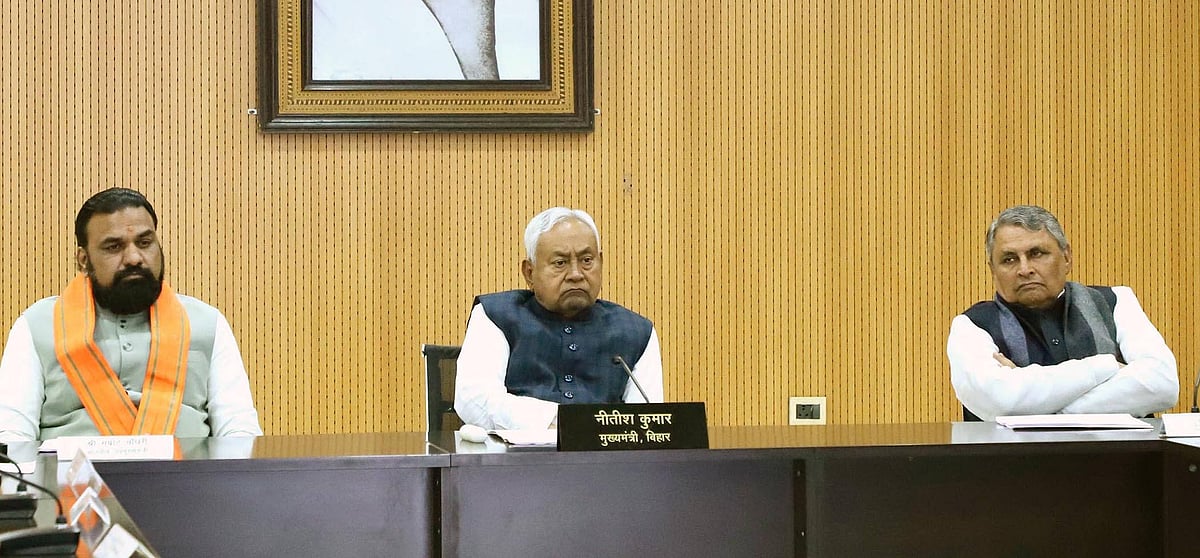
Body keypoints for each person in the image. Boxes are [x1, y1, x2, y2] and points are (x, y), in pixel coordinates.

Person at [0, 188, 262, 441]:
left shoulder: (207, 322)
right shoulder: (36, 326)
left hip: (188, 480)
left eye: (145, 242)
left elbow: (238, 430)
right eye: (114, 247)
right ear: (83, 259)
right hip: (67, 482)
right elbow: (12, 433)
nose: (134, 257)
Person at [947, 205, 1178, 421]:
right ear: (993, 270)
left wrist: (1039, 407)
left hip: (1121, 461)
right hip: (1018, 464)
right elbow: (998, 401)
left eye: (1037, 253)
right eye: (1009, 259)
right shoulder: (972, 326)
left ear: (1067, 257)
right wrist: (1105, 367)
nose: (1025, 269)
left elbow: (1162, 384)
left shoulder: (1115, 302)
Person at [454, 207, 663, 430]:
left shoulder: (637, 331)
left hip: (604, 463)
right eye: (560, 263)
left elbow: (647, 423)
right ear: (529, 273)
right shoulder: (495, 315)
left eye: (587, 260)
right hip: (514, 461)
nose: (576, 274)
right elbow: (473, 401)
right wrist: (560, 421)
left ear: (600, 262)